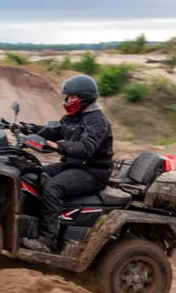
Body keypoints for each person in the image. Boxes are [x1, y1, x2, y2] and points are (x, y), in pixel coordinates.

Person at [20, 74, 114, 253]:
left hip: (93, 172)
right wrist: (28, 128)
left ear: (84, 98)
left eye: (71, 97)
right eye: (67, 97)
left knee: (53, 188)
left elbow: (86, 148)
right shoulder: (74, 116)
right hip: (72, 165)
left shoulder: (97, 121)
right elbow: (53, 132)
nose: (67, 101)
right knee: (31, 174)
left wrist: (57, 146)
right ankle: (30, 223)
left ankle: (47, 241)